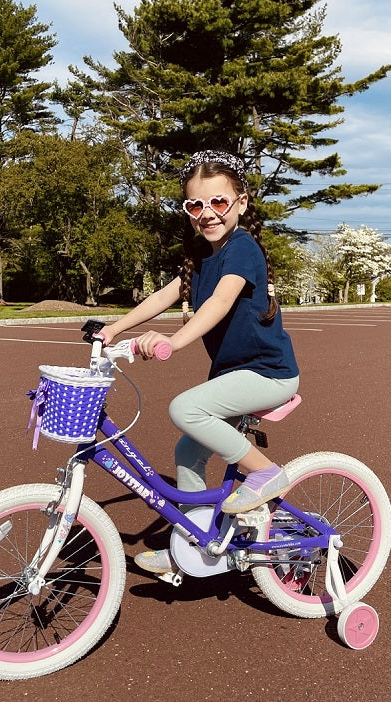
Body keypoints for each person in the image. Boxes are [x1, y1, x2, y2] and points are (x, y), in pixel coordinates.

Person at [97, 149, 300, 575]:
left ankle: (265, 474)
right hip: (236, 375)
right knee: (188, 451)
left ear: (241, 203)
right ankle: (192, 545)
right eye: (195, 205)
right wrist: (116, 328)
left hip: (269, 373)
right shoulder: (202, 257)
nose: (207, 213)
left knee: (185, 409)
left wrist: (174, 340)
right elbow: (164, 295)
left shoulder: (242, 250)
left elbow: (222, 302)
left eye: (219, 202)